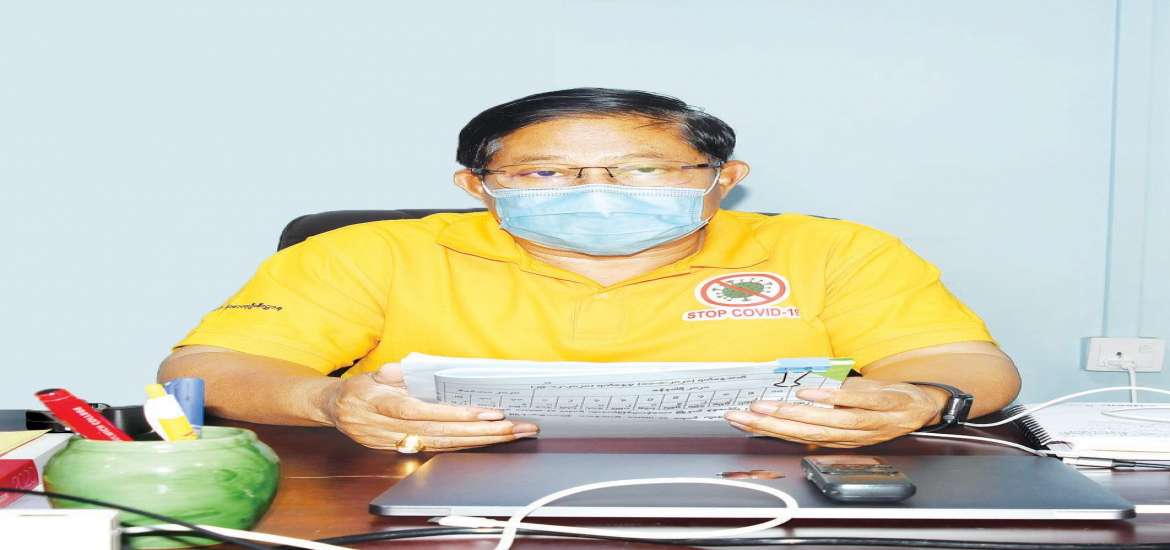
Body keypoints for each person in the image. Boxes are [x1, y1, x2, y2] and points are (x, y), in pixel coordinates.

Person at [160, 88, 1021, 452]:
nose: (596, 193)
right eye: (545, 172)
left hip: (770, 484)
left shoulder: (836, 250)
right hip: (431, 488)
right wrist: (327, 401)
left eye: (644, 170)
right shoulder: (370, 252)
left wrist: (923, 400)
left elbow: (968, 367)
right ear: (477, 187)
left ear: (724, 179)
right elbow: (203, 371)